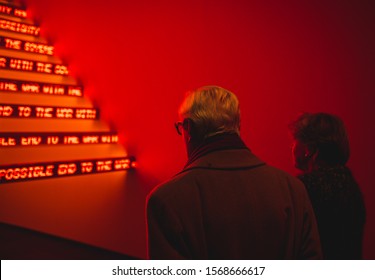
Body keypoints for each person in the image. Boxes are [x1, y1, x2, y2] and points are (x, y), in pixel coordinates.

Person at [146, 86, 322, 259]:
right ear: (238, 124)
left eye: (180, 128)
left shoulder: (167, 200)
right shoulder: (293, 189)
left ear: (189, 128)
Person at [289, 112, 366, 259]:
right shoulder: (351, 186)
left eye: (295, 141)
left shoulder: (305, 188)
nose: (292, 147)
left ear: (309, 149)